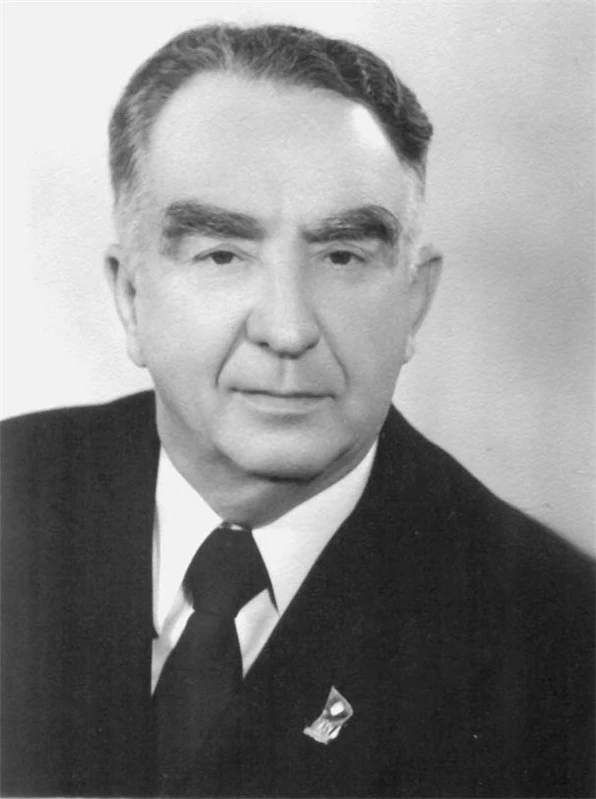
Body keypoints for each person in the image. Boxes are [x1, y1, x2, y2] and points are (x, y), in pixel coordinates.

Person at [1, 23, 593, 799]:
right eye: (222, 254)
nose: (287, 328)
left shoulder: (558, 639)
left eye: (343, 255)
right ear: (130, 295)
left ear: (414, 303)